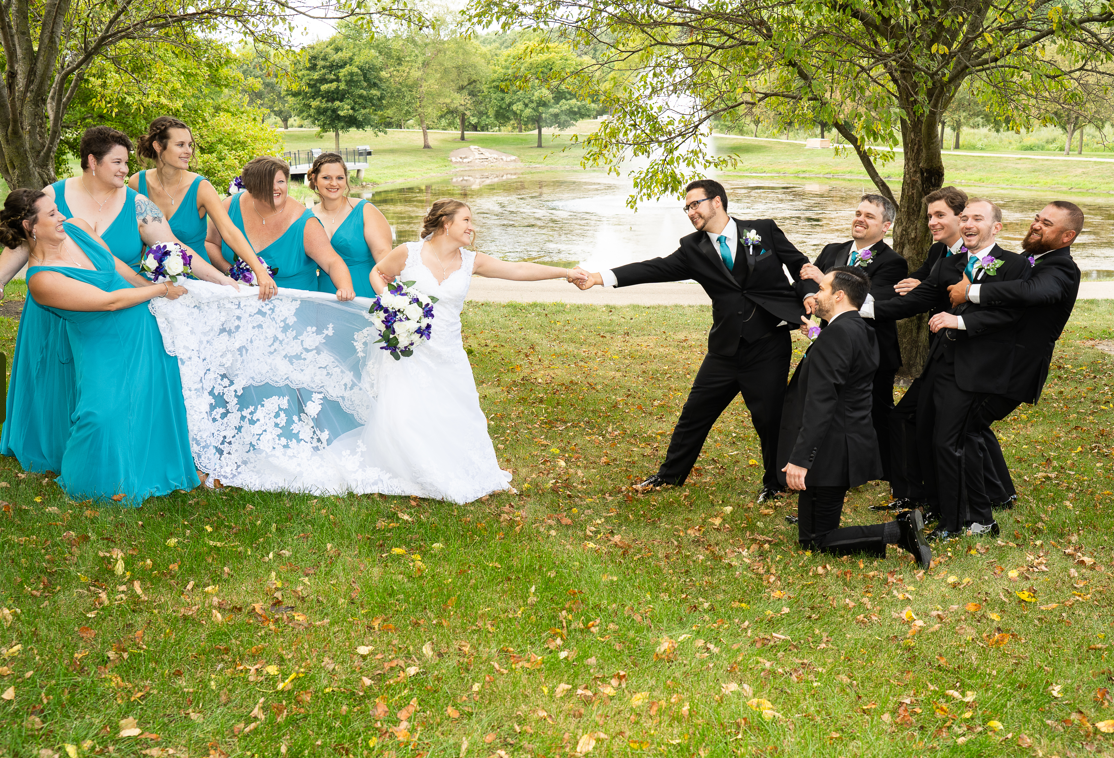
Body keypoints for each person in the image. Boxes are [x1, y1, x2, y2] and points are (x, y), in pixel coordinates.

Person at [152, 198, 587, 504]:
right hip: (409, 347)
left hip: (448, 349)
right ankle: (412, 468)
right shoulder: (410, 253)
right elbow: (379, 274)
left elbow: (516, 269)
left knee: (459, 407)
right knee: (405, 409)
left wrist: (565, 271)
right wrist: (393, 305)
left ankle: (467, 468)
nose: (472, 228)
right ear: (445, 224)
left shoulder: (471, 262)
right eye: (466, 220)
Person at [0, 125, 236, 473]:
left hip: (120, 306)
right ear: (92, 161)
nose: (127, 170)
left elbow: (172, 248)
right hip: (58, 307)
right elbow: (24, 245)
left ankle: (109, 454)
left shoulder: (138, 204)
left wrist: (223, 282)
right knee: (55, 384)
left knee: (104, 389)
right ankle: (60, 449)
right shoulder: (52, 198)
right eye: (118, 162)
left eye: (127, 162)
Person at [573, 178, 814, 503]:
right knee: (694, 414)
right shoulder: (692, 248)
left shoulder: (763, 230)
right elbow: (653, 268)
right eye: (686, 207)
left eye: (694, 204)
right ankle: (669, 476)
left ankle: (774, 483)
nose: (690, 212)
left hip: (768, 344)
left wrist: (810, 295)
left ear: (717, 202)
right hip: (724, 351)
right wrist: (600, 277)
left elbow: (799, 265)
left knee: (769, 418)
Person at [1, 189, 198, 503]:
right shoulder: (41, 280)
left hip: (142, 330)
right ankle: (89, 487)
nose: (61, 216)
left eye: (57, 210)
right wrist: (160, 290)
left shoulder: (78, 227)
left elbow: (117, 266)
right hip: (100, 345)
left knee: (146, 400)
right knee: (100, 415)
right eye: (51, 214)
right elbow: (109, 302)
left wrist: (147, 285)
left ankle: (150, 471)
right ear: (30, 227)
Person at [865, 199, 1029, 541]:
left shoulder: (1014, 266)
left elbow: (1011, 315)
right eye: (965, 218)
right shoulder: (949, 264)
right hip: (941, 365)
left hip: (979, 370)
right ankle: (940, 507)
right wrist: (856, 310)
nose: (969, 224)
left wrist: (960, 321)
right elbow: (912, 302)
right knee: (926, 435)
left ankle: (975, 519)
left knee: (949, 442)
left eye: (977, 219)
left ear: (996, 227)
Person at [778, 266, 931, 568]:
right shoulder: (858, 329)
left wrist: (800, 460)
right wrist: (818, 335)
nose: (816, 295)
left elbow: (822, 403)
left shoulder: (838, 336)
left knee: (817, 540)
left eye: (821, 289)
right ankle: (894, 530)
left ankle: (898, 531)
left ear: (839, 295)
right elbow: (844, 361)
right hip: (846, 440)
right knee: (809, 532)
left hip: (831, 449)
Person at [947, 201, 1083, 513]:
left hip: (1017, 370)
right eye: (1038, 218)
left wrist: (971, 293)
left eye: (1047, 224)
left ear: (1067, 236)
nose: (1036, 225)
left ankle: (982, 501)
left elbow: (1030, 292)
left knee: (966, 425)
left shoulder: (1062, 269)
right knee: (974, 424)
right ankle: (1000, 493)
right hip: (995, 363)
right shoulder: (1028, 258)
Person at [799, 194, 908, 481]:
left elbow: (865, 303)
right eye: (858, 213)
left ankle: (886, 471)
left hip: (872, 351)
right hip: (829, 346)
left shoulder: (893, 262)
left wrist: (823, 277)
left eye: (869, 216)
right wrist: (810, 297)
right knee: (827, 407)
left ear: (885, 227)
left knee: (877, 413)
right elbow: (811, 288)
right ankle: (829, 464)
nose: (860, 219)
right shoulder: (833, 249)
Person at [130, 116, 277, 298]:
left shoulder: (201, 188)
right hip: (152, 284)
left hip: (198, 283)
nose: (188, 151)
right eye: (180, 145)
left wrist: (260, 272)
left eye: (190, 145)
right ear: (158, 146)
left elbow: (229, 231)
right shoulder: (137, 183)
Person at [206, 155, 356, 299]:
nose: (275, 188)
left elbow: (332, 262)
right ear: (251, 187)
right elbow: (210, 243)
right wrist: (232, 272)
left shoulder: (305, 223)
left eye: (280, 181)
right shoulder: (229, 206)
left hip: (293, 311)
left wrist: (345, 288)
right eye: (267, 182)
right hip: (240, 306)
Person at [307, 153, 393, 298]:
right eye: (326, 177)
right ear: (315, 179)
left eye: (340, 178)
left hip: (366, 292)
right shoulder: (307, 217)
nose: (334, 183)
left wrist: (389, 274)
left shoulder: (365, 210)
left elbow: (382, 252)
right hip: (326, 296)